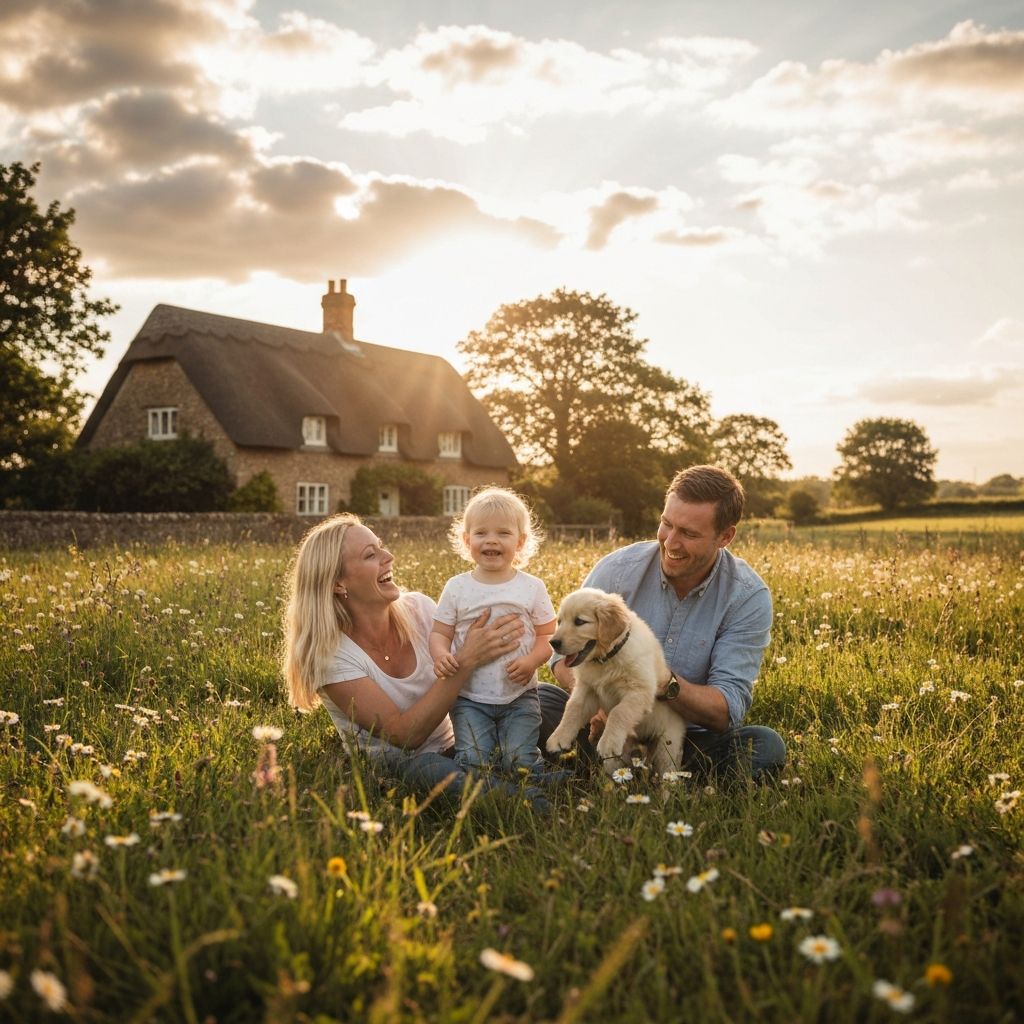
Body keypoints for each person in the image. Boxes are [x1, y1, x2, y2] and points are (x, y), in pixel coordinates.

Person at [282, 512, 554, 810]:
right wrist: (467, 660)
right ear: (338, 583)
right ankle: (525, 800)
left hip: (467, 734)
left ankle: (594, 759)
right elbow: (405, 735)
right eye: (371, 554)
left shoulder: (420, 609)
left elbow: (481, 659)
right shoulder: (330, 656)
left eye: (382, 546)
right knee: (427, 772)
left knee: (543, 698)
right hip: (408, 764)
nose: (389, 556)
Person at [549, 465, 786, 782]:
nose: (670, 543)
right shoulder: (616, 571)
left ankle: (664, 780)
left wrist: (663, 684)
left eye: (688, 534)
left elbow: (726, 709)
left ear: (725, 537)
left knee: (765, 746)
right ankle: (588, 772)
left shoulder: (746, 596)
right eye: (666, 524)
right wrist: (602, 709)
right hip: (600, 720)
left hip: (687, 736)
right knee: (537, 702)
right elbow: (561, 661)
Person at [429, 487, 558, 780]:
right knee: (473, 760)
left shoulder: (531, 587)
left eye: (503, 533)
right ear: (467, 540)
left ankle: (539, 785)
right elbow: (440, 633)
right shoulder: (457, 587)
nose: (491, 540)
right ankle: (481, 792)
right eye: (481, 533)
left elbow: (548, 635)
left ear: (521, 542)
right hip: (469, 697)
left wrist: (531, 662)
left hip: (519, 695)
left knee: (520, 759)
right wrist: (441, 655)